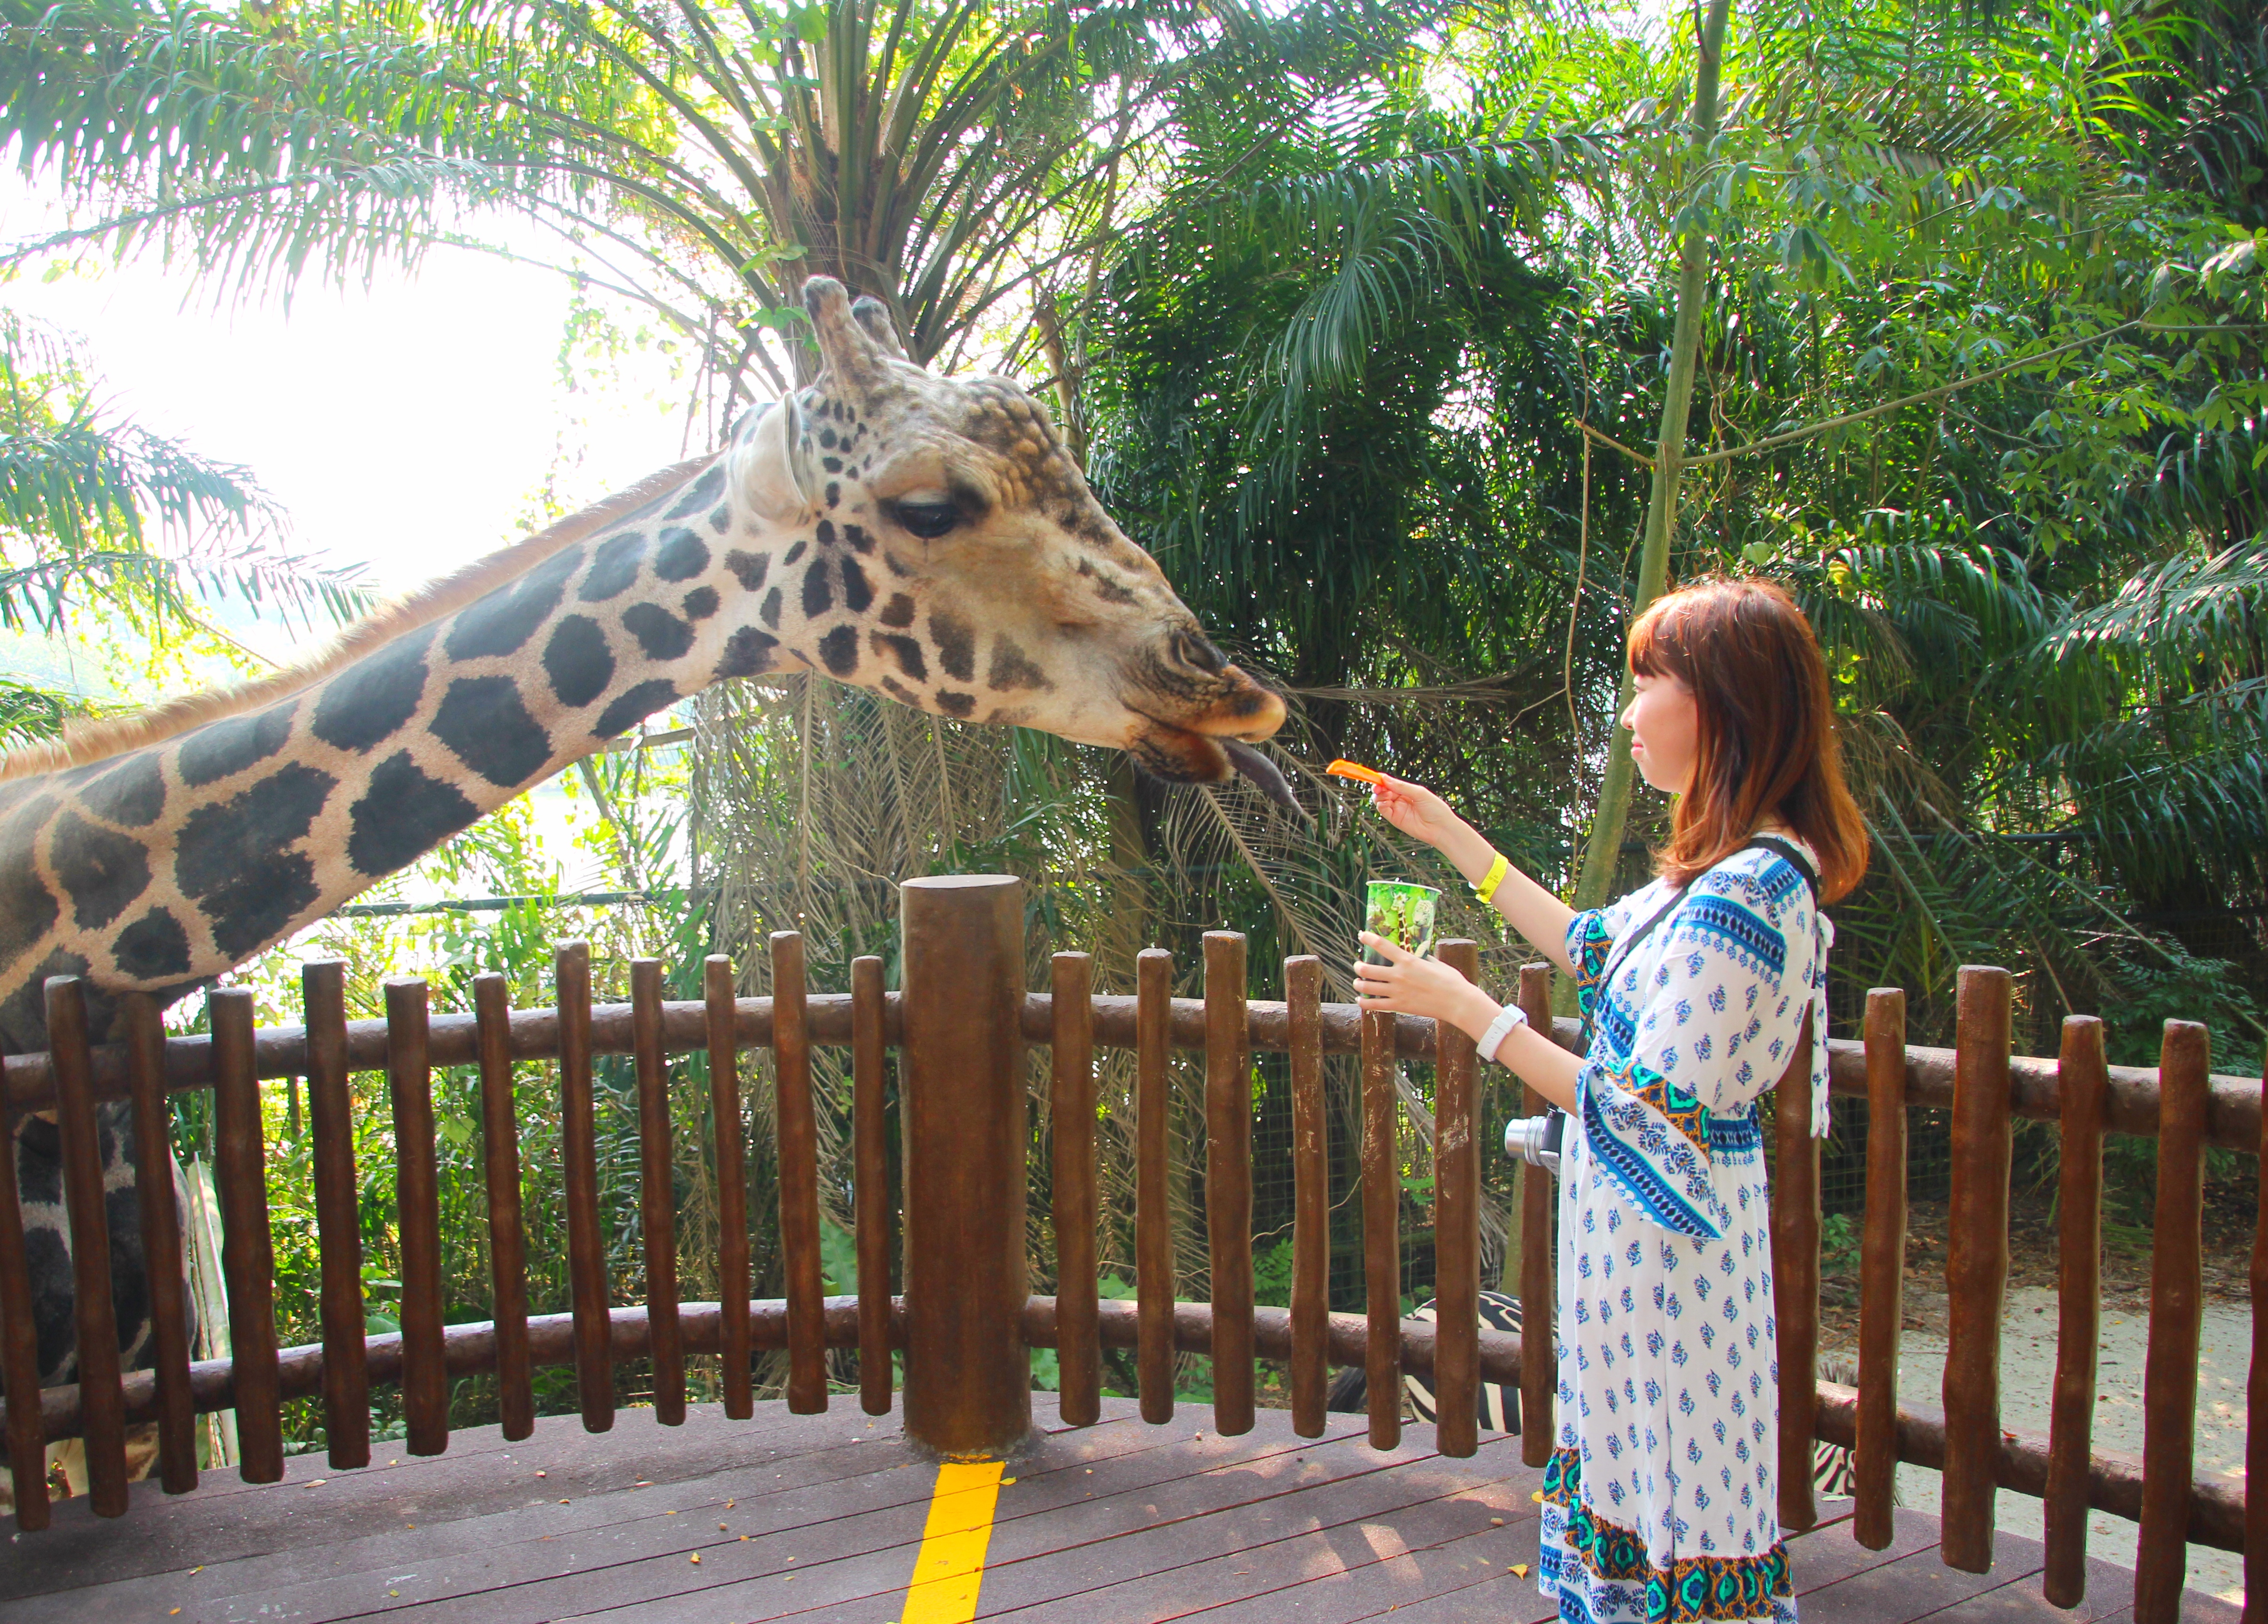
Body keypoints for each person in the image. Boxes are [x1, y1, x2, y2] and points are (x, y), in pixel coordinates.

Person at [1352, 577, 1867, 1624]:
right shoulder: (1716, 873)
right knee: (1641, 1491)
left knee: (1683, 1503)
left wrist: (1466, 1007)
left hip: (1677, 1279)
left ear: (1724, 703)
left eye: (1647, 685)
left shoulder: (1747, 895)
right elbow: (1590, 943)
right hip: (1637, 1268)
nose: (1628, 715)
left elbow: (1638, 1112)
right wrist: (1451, 835)